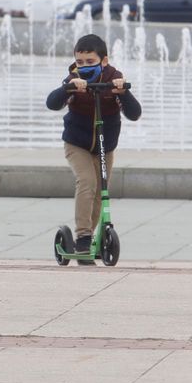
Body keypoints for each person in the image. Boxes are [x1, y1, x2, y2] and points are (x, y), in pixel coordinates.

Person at [45, 34, 142, 263]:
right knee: (87, 182)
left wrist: (123, 92)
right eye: (80, 62)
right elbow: (52, 103)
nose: (84, 66)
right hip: (77, 144)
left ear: (104, 60)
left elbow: (134, 114)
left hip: (104, 146)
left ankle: (94, 236)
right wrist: (69, 88)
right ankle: (83, 237)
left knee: (101, 191)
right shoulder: (74, 78)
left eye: (90, 61)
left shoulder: (113, 78)